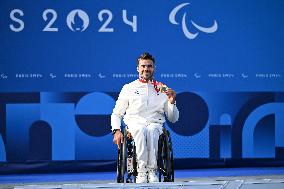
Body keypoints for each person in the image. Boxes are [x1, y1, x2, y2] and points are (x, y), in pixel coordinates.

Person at [111, 52, 179, 183]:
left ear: (154, 68)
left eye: (149, 66)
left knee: (152, 130)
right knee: (141, 130)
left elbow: (173, 118)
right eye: (143, 66)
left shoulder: (163, 89)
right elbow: (117, 113)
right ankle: (141, 171)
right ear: (138, 68)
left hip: (155, 124)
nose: (146, 69)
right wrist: (116, 130)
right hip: (135, 124)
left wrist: (171, 102)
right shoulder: (128, 88)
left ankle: (152, 170)